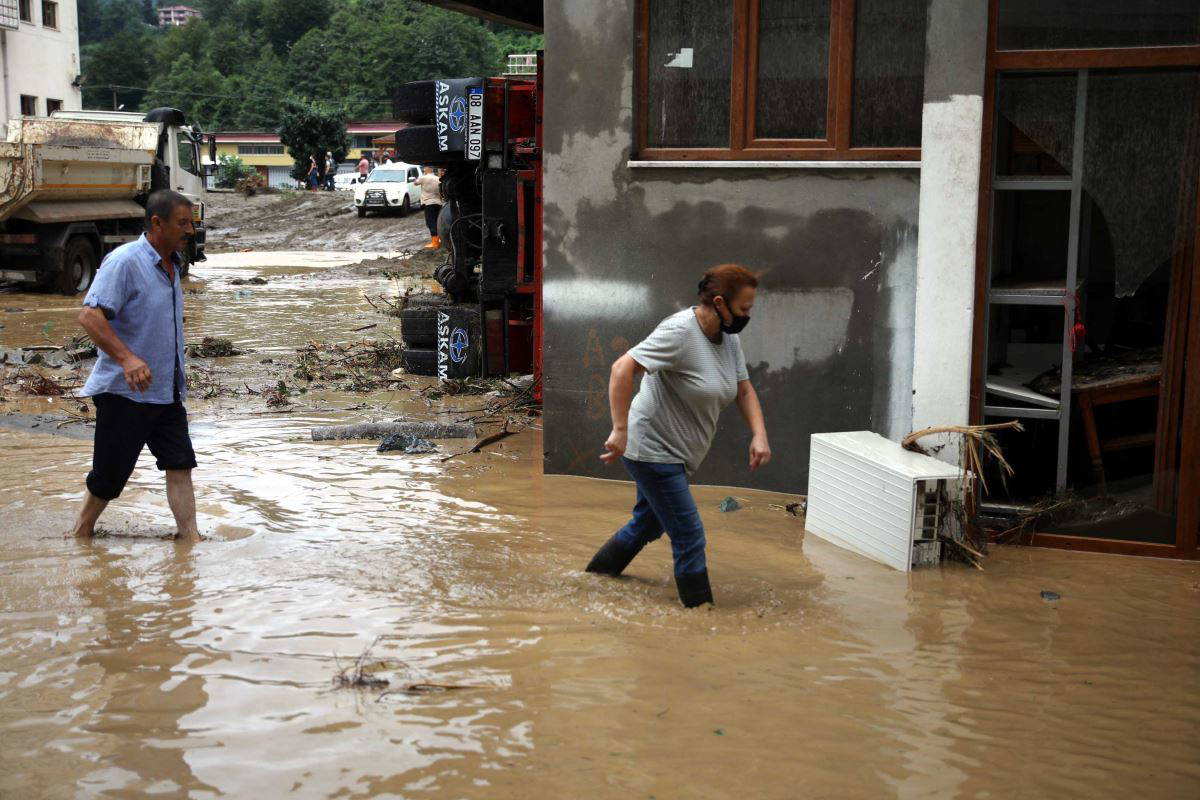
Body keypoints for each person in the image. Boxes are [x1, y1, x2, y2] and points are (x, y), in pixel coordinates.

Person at [585, 264, 771, 607]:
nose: (747, 314)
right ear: (719, 301)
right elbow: (621, 368)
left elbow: (744, 389)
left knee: (647, 525)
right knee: (689, 535)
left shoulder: (729, 338)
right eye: (744, 308)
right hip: (652, 449)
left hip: (678, 453)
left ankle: (593, 582)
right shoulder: (679, 332)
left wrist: (759, 434)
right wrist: (620, 429)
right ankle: (701, 617)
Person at [72, 190, 201, 543]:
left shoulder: (172, 264)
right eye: (182, 223)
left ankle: (190, 540)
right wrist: (128, 359)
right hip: (124, 393)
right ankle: (81, 533)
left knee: (180, 464)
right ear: (157, 223)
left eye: (191, 222)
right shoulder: (124, 262)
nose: (189, 230)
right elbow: (89, 315)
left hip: (165, 391)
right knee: (109, 478)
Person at [414, 166, 443, 249]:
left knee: (430, 223)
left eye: (424, 169)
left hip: (428, 203)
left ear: (426, 170)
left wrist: (419, 177)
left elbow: (415, 183)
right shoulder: (437, 178)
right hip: (438, 202)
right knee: (437, 221)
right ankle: (440, 239)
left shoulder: (423, 178)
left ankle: (435, 243)